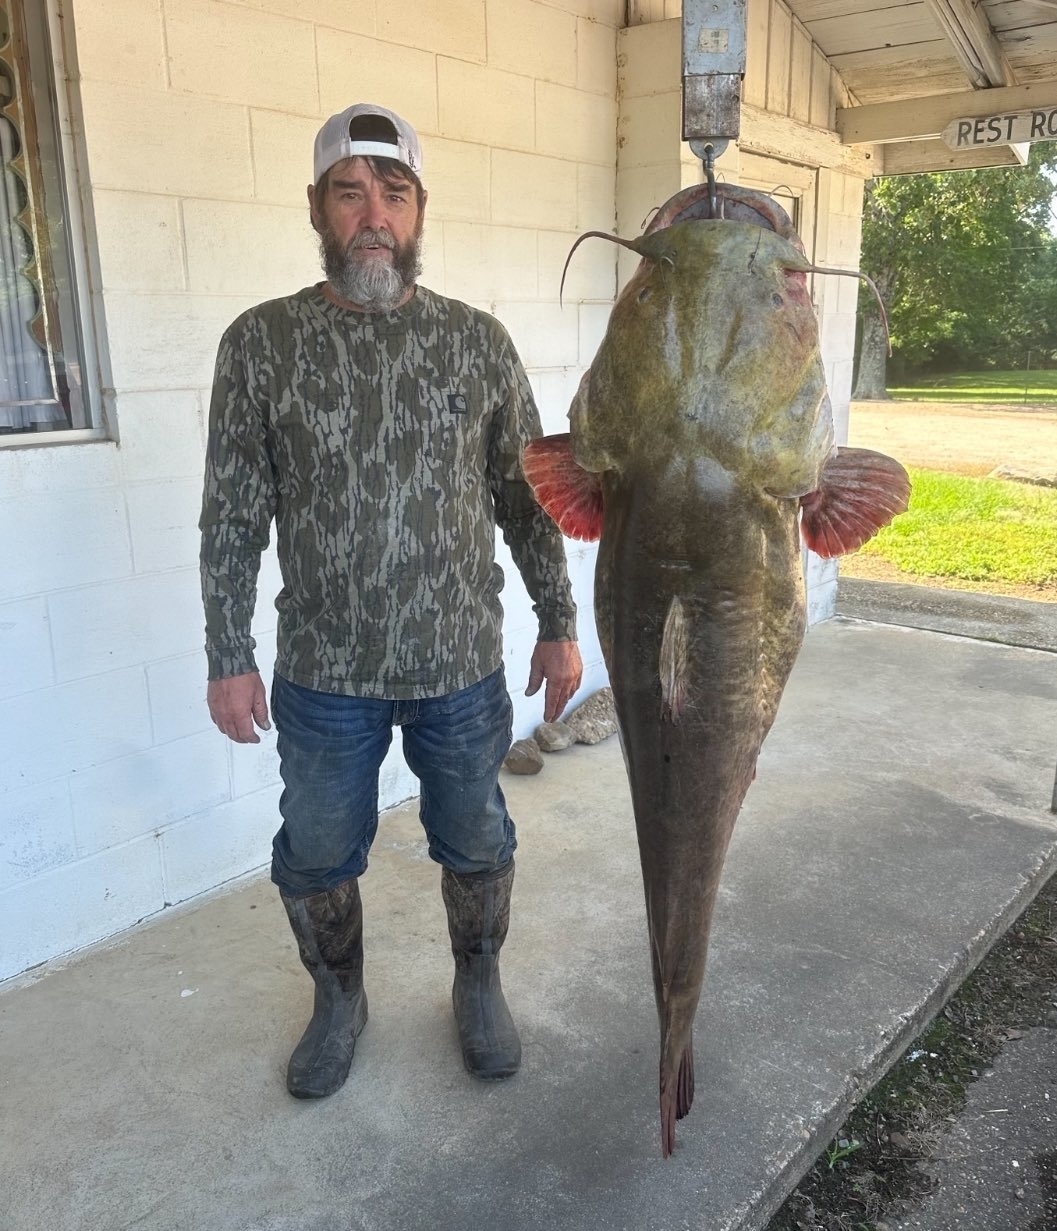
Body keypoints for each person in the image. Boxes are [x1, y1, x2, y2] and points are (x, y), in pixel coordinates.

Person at [199, 103, 583, 1101]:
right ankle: (339, 1000)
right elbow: (233, 515)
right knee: (316, 851)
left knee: (477, 837)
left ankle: (478, 980)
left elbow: (527, 499)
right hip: (324, 674)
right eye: (349, 191)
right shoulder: (260, 344)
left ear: (416, 212)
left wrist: (559, 624)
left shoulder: (476, 343)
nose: (372, 212)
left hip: (458, 664)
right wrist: (227, 649)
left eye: (392, 192)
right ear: (321, 210)